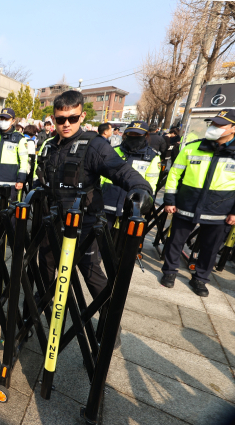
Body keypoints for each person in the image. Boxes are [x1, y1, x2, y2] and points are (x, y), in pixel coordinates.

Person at [32, 91, 152, 343]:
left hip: (84, 225)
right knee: (45, 267)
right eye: (60, 119)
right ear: (53, 119)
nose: (65, 124)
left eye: (72, 118)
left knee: (93, 276)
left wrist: (140, 188)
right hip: (53, 221)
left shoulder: (95, 145)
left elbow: (119, 170)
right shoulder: (50, 145)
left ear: (82, 115)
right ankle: (43, 313)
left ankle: (109, 325)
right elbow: (43, 179)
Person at [161, 109, 235, 297]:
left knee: (210, 248)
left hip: (220, 209)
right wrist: (169, 200)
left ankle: (200, 278)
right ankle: (169, 272)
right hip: (187, 204)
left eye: (219, 125)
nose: (213, 127)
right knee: (175, 241)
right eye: (213, 123)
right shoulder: (192, 147)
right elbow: (174, 174)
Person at [101, 121, 161, 226]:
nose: (134, 137)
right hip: (108, 202)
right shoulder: (114, 151)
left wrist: (148, 201)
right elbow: (101, 177)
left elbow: (151, 183)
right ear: (126, 135)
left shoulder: (153, 157)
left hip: (132, 207)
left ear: (145, 135)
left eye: (138, 135)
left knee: (124, 241)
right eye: (131, 134)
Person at [0, 107, 29, 222]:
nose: (3, 121)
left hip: (11, 184)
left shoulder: (20, 139)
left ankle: (9, 234)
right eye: (2, 118)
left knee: (10, 211)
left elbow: (24, 161)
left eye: (6, 118)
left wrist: (21, 180)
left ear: (13, 121)